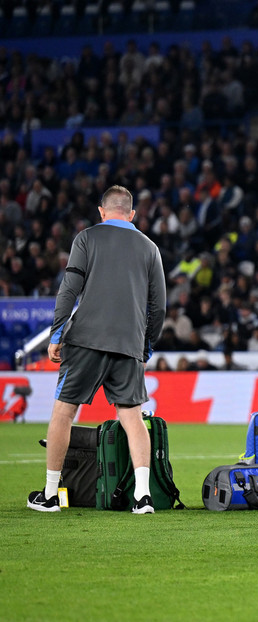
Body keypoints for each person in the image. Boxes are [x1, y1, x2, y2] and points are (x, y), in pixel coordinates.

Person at [30, 186, 166, 514]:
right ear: (131, 214)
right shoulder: (150, 248)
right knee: (132, 417)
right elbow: (159, 306)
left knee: (64, 411)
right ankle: (143, 496)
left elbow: (69, 290)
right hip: (128, 343)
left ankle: (50, 495)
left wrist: (56, 334)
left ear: (102, 211)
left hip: (85, 340)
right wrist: (146, 343)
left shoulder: (86, 238)